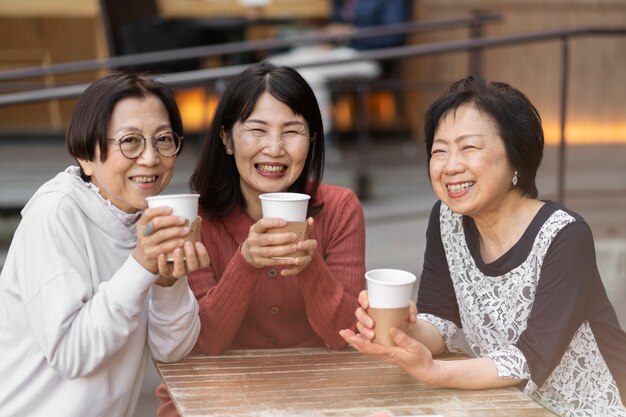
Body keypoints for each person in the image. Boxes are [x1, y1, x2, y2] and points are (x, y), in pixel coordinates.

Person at [340, 76, 626, 417]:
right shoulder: (446, 219)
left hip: (595, 407)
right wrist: (399, 329)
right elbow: (442, 324)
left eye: (469, 147)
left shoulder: (565, 236)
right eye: (439, 151)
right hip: (507, 404)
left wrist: (434, 372)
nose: (450, 166)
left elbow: (530, 359)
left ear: (516, 157)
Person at [156, 61, 366, 417]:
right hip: (210, 396)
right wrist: (246, 262)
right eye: (257, 130)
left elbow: (344, 334)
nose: (274, 148)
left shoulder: (341, 207)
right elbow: (204, 341)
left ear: (312, 139)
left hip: (312, 395)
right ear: (226, 138)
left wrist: (308, 262)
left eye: (292, 131)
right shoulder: (196, 218)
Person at [0, 72, 210, 417]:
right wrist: (141, 266)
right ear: (86, 155)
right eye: (130, 141)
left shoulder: (143, 219)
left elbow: (172, 351)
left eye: (163, 139)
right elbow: (72, 354)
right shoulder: (55, 213)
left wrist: (167, 282)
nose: (150, 158)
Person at [269, 0, 409, 137]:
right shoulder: (338, 3)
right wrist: (330, 36)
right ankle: (311, 140)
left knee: (302, 73)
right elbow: (338, 27)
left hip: (370, 58)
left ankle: (317, 140)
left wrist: (353, 33)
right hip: (341, 51)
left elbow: (394, 35)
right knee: (276, 65)